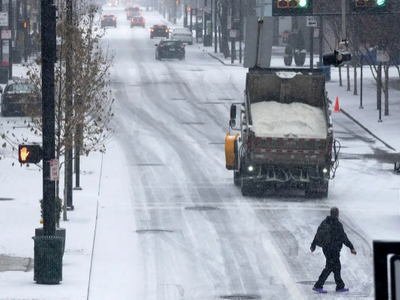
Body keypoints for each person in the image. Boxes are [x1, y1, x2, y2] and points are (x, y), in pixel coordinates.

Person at [310, 207, 357, 293]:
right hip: (334, 249)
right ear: (337, 214)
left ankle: (340, 286)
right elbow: (344, 238)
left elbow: (318, 234)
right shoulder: (337, 224)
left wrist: (313, 245)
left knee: (336, 266)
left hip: (326, 248)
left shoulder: (325, 222)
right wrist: (351, 248)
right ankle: (318, 285)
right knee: (330, 266)